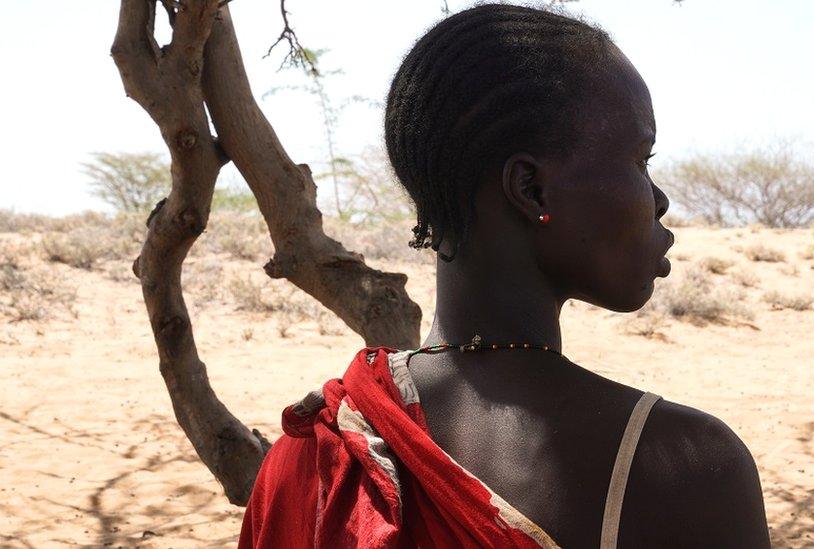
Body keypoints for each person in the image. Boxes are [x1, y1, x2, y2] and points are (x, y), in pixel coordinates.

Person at [239, 3, 770, 547]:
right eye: (641, 160)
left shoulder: (305, 460)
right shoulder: (687, 468)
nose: (658, 199)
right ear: (532, 189)